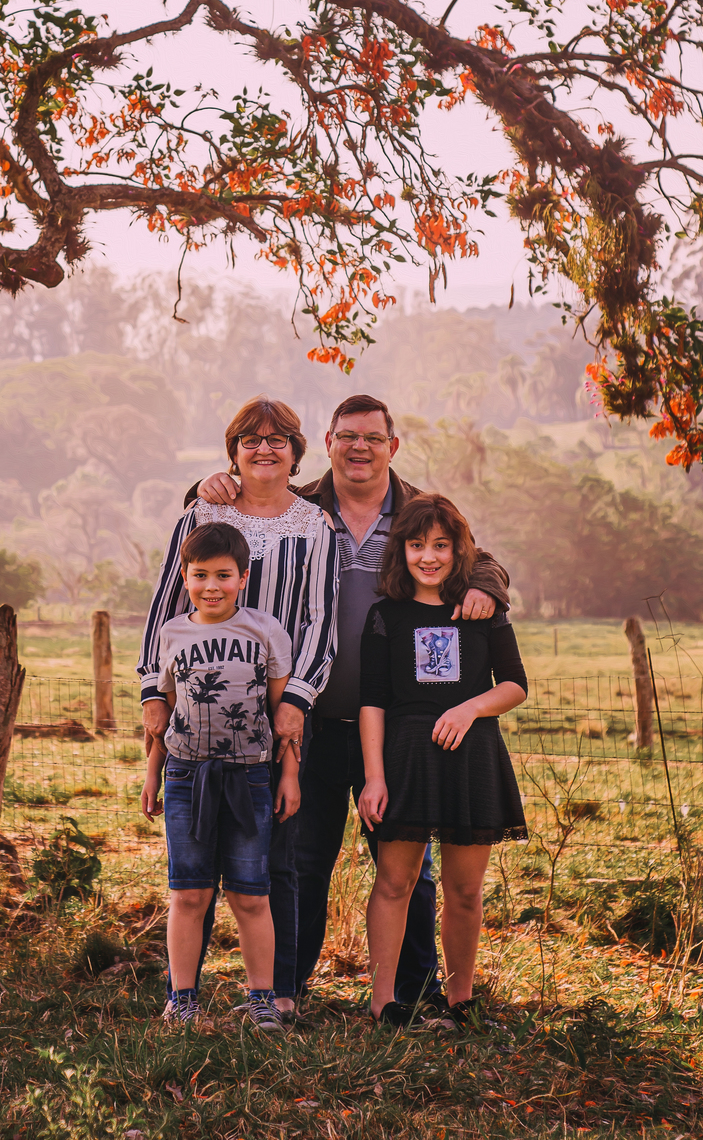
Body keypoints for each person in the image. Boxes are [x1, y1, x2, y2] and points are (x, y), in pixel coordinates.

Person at [191, 393, 511, 1015]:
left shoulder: (420, 513)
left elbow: (479, 557)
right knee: (302, 856)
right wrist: (201, 488)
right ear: (327, 443)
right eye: (346, 436)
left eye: (372, 437)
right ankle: (288, 986)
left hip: (395, 725)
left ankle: (412, 991)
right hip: (304, 715)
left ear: (393, 447)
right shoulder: (298, 507)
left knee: (408, 867)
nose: (359, 447)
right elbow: (218, 535)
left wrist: (486, 587)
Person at [138, 396, 337, 1016]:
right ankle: (185, 996)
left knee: (275, 861)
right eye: (251, 439)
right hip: (195, 720)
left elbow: (319, 620)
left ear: (297, 453)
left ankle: (275, 994)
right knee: (191, 877)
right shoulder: (204, 509)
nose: (264, 448)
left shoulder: (315, 525)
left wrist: (297, 702)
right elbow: (167, 601)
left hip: (277, 707)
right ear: (233, 451)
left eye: (278, 439)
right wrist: (152, 693)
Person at [357, 494, 528, 1027]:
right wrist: (374, 778)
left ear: (460, 551)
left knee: (464, 888)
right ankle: (384, 1002)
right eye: (416, 545)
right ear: (401, 551)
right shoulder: (385, 615)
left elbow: (516, 685)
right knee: (394, 882)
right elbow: (373, 701)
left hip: (471, 757)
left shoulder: (483, 610)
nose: (428, 556)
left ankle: (460, 999)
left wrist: (469, 709)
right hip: (406, 759)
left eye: (440, 546)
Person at [141, 521, 301, 1033]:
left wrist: (289, 774)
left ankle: (262, 998)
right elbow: (161, 714)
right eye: (200, 575)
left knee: (251, 894)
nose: (212, 586)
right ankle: (182, 998)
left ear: (244, 578)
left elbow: (285, 717)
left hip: (250, 776)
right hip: (187, 775)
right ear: (185, 578)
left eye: (224, 576)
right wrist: (152, 775)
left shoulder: (265, 631)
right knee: (189, 892)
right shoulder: (172, 634)